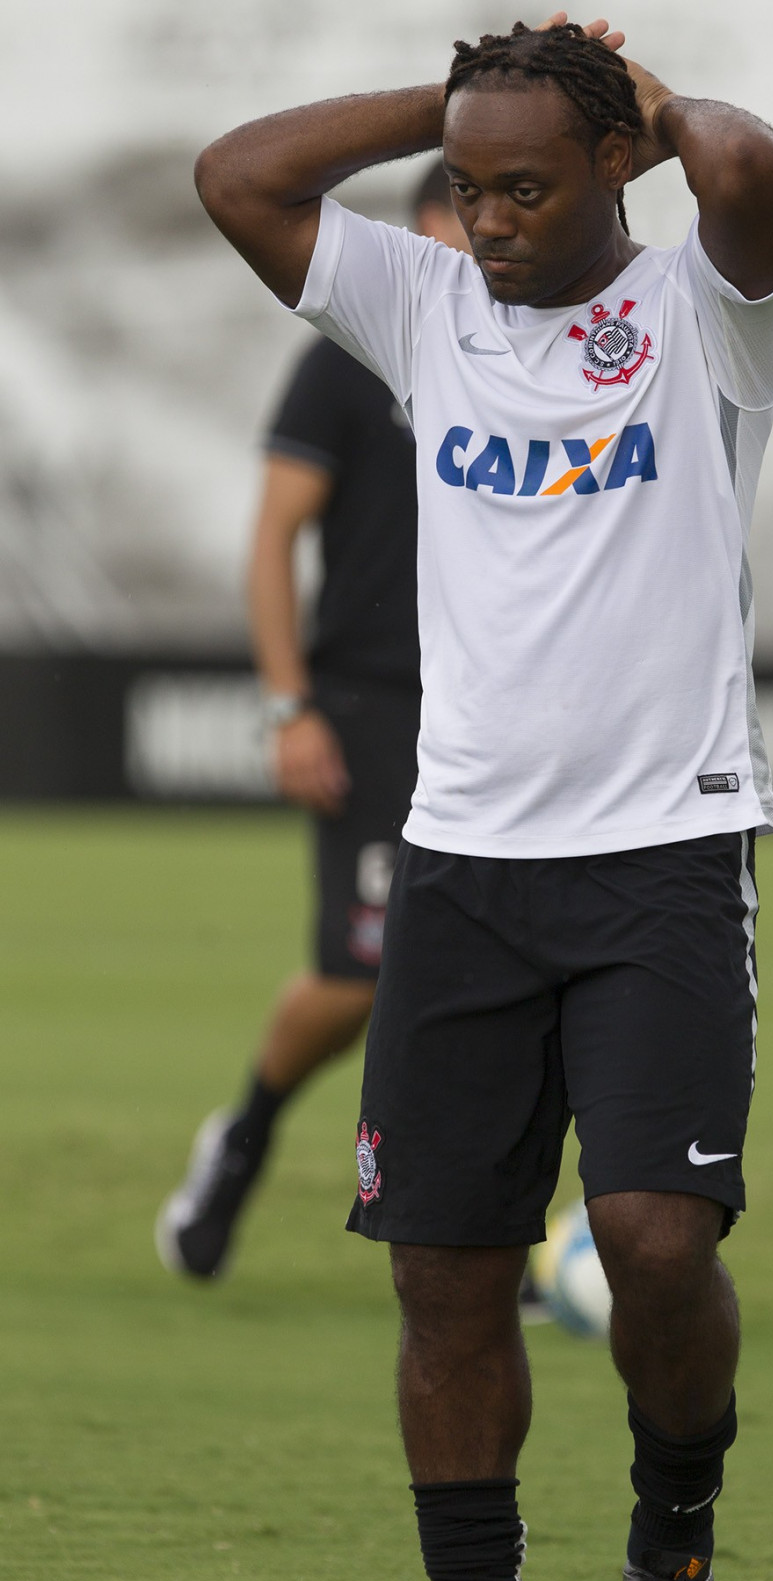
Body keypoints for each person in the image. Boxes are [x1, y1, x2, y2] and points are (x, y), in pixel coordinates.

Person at [193, 10, 773, 1581]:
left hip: (664, 856)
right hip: (462, 866)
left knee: (653, 1240)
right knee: (444, 1278)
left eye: (530, 184)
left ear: (620, 164)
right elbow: (237, 175)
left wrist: (643, 99)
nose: (491, 217)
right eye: (468, 187)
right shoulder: (423, 302)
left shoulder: (706, 315)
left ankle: (672, 1547)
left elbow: (752, 173)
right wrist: (466, 112)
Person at [156, 168, 469, 1281]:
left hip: (494, 709)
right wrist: (290, 706)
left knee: (502, 971)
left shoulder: (535, 355)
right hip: (375, 704)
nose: (489, 235)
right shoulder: (352, 356)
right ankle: (242, 1140)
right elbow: (274, 532)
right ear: (430, 224)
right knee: (360, 973)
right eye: (472, 209)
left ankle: (490, 1231)